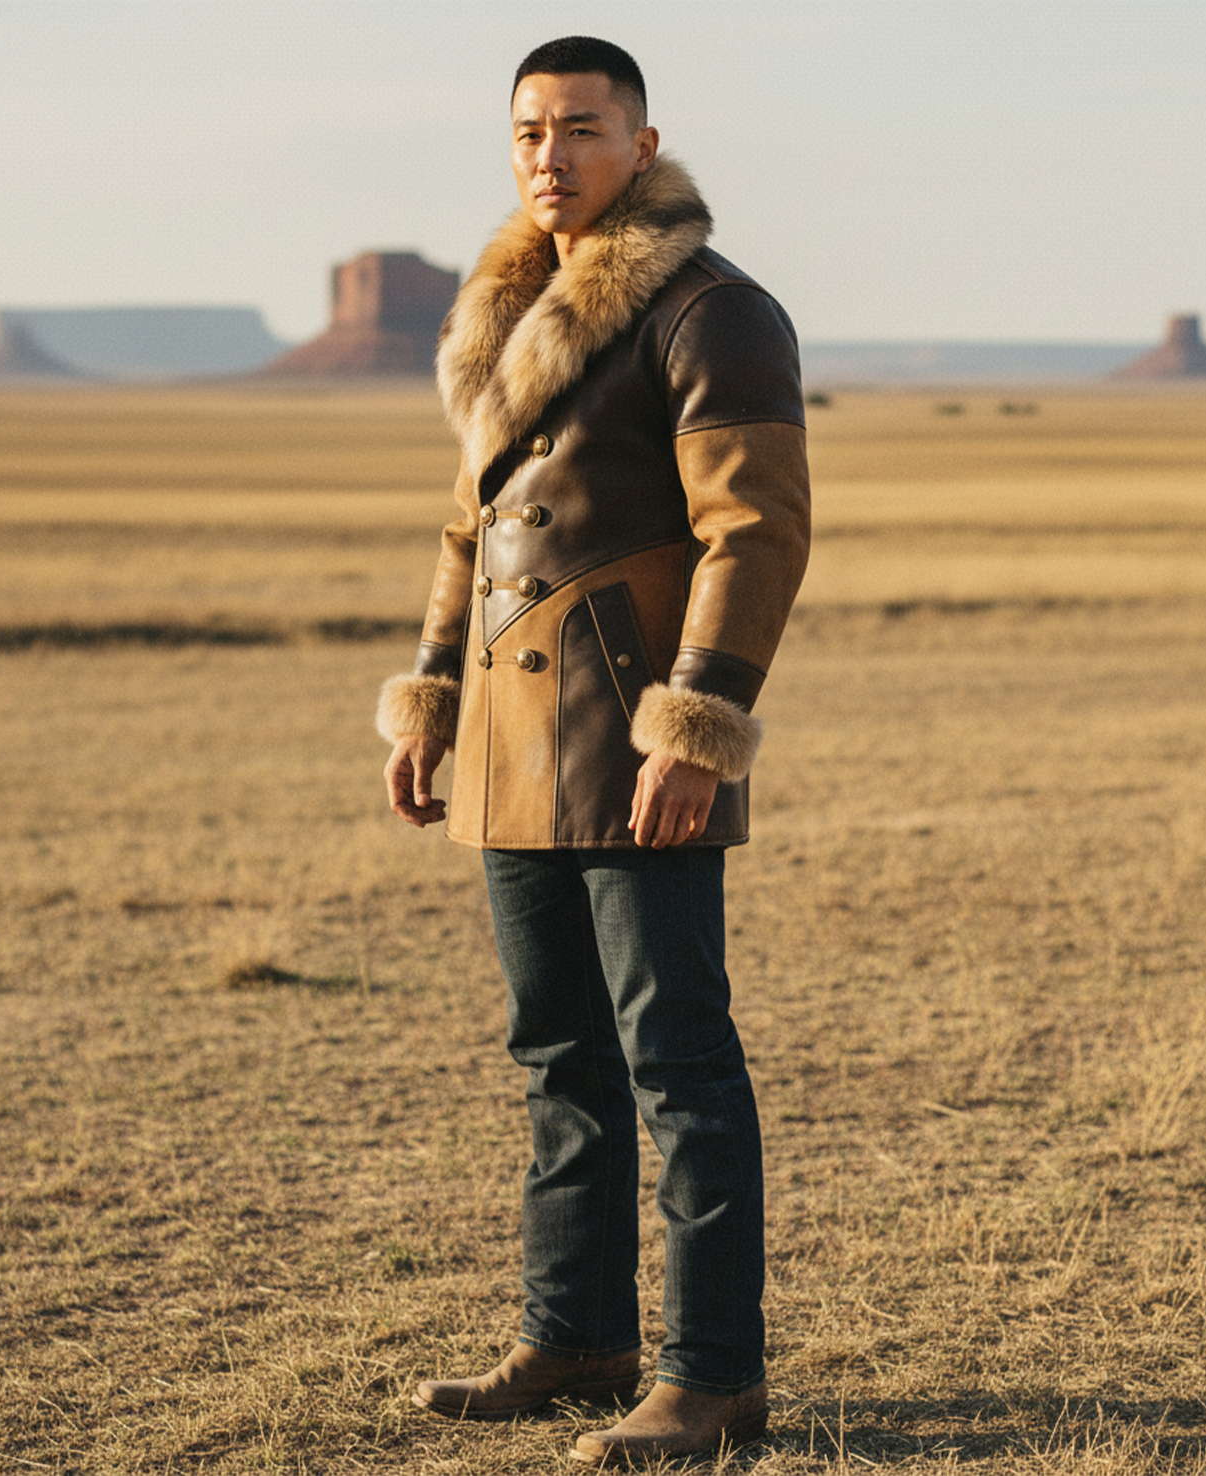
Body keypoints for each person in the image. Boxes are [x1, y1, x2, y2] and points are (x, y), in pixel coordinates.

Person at [378, 34, 809, 1467]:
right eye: (526, 132)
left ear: (642, 139)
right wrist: (430, 696)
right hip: (513, 744)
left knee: (678, 1064)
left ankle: (711, 1380)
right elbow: (473, 528)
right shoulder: (512, 309)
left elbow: (756, 532)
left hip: (635, 746)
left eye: (579, 127)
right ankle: (576, 1340)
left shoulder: (713, 311)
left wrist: (695, 726)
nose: (547, 155)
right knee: (558, 1057)